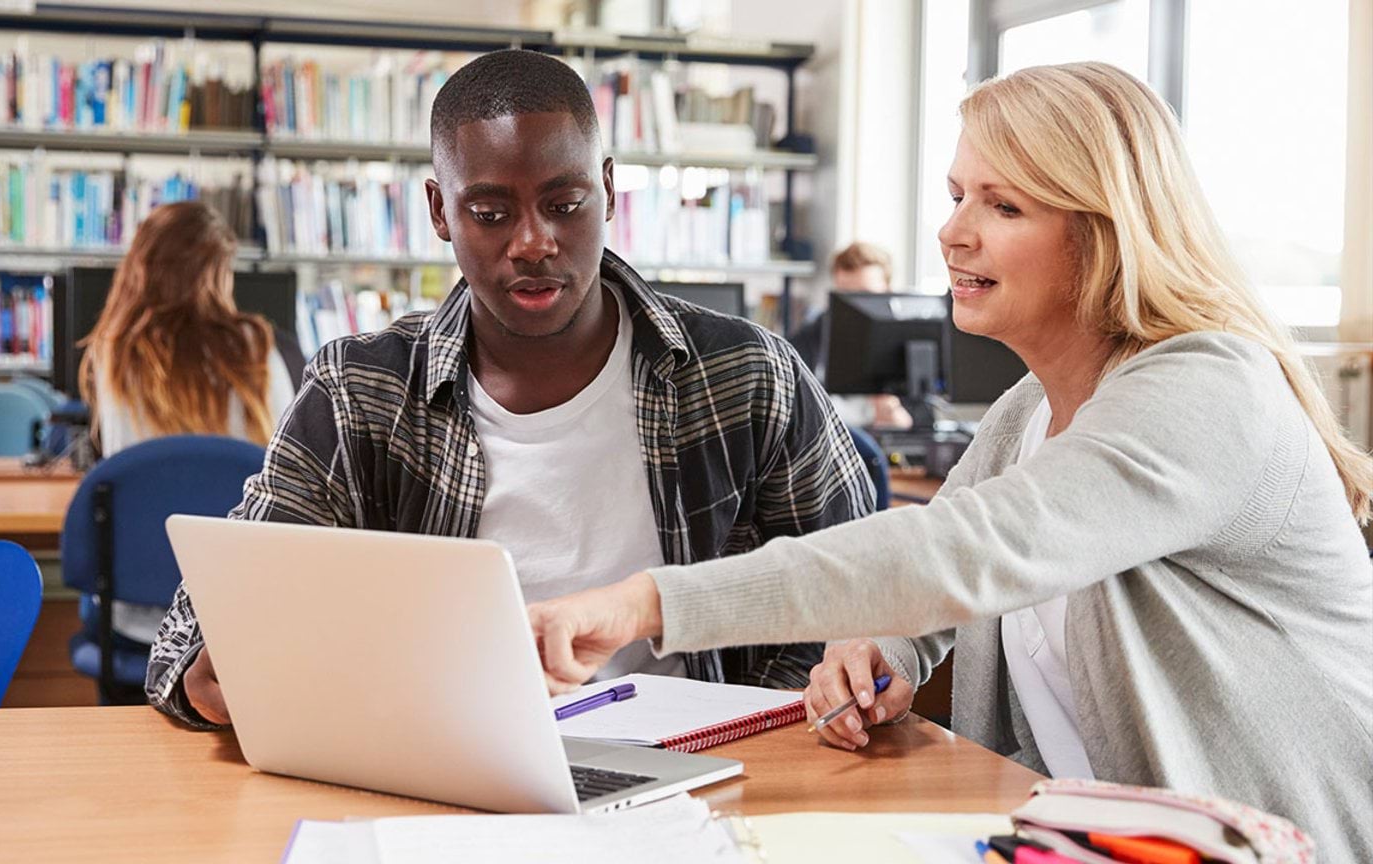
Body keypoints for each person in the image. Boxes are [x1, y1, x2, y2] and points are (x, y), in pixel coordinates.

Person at [527, 62, 1373, 860]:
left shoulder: (1207, 390)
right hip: (1081, 837)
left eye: (1004, 207)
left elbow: (965, 553)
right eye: (958, 194)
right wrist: (885, 651)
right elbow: (933, 572)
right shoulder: (1027, 413)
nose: (952, 232)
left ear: (1108, 234)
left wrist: (647, 603)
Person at [144, 49, 874, 729]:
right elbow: (191, 633)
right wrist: (221, 670)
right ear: (439, 211)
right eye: (490, 215)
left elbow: (861, 589)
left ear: (611, 191)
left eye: (565, 205)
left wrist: (754, 722)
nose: (532, 243)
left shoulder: (747, 375)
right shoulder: (360, 389)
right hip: (436, 759)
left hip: (706, 767)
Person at [78, 200, 297, 645]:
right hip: (239, 611)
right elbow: (290, 472)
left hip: (136, 614)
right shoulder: (258, 348)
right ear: (218, 273)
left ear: (140, 268)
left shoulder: (113, 353)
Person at [790, 242, 915, 430]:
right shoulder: (809, 339)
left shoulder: (907, 340)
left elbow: (925, 416)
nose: (856, 308)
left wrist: (898, 415)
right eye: (846, 297)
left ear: (888, 290)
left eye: (865, 295)